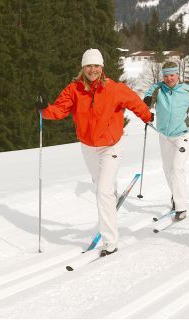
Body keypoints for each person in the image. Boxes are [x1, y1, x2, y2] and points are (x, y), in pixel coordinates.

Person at [41, 48, 153, 257]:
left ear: (102, 68)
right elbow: (59, 109)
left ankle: (110, 242)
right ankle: (110, 191)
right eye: (88, 66)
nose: (92, 70)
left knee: (102, 190)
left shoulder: (114, 88)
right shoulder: (74, 89)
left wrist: (147, 116)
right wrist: (43, 110)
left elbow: (135, 102)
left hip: (111, 145)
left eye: (96, 66)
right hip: (88, 146)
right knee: (100, 184)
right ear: (83, 68)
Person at [144, 61, 189, 221]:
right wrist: (146, 109)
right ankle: (176, 196)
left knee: (177, 168)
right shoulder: (158, 89)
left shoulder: (187, 90)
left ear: (178, 75)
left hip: (182, 135)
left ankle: (181, 207)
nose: (169, 78)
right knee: (167, 168)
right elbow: (148, 98)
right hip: (164, 135)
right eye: (166, 76)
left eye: (172, 75)